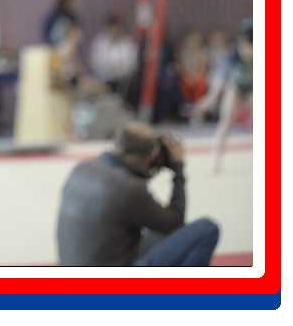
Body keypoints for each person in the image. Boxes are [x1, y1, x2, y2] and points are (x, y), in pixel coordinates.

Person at [56, 121, 220, 266]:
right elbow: (175, 222)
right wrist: (178, 169)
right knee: (207, 229)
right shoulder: (130, 189)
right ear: (148, 157)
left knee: (156, 230)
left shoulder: (82, 168)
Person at [192, 18, 253, 174]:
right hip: (237, 87)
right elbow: (220, 80)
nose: (247, 50)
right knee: (226, 121)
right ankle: (216, 160)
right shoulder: (233, 54)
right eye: (245, 45)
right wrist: (210, 99)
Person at [89, 14, 138, 97]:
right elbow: (95, 62)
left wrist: (115, 68)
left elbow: (131, 66)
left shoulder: (128, 44)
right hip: (101, 80)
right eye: (112, 28)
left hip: (120, 83)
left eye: (117, 28)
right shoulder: (100, 42)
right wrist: (113, 67)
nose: (115, 31)